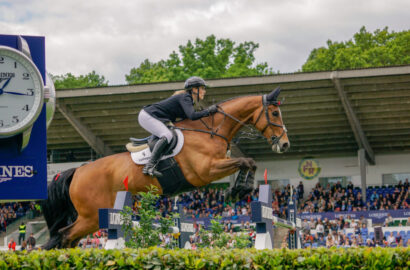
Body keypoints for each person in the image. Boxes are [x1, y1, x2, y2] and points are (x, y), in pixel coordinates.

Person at [138, 76, 217, 177]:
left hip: (154, 117)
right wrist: (208, 111)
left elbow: (187, 120)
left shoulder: (187, 100)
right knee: (167, 135)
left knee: (169, 133)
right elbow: (192, 116)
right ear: (194, 89)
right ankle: (149, 166)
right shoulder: (185, 97)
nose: (204, 91)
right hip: (148, 116)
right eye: (202, 88)